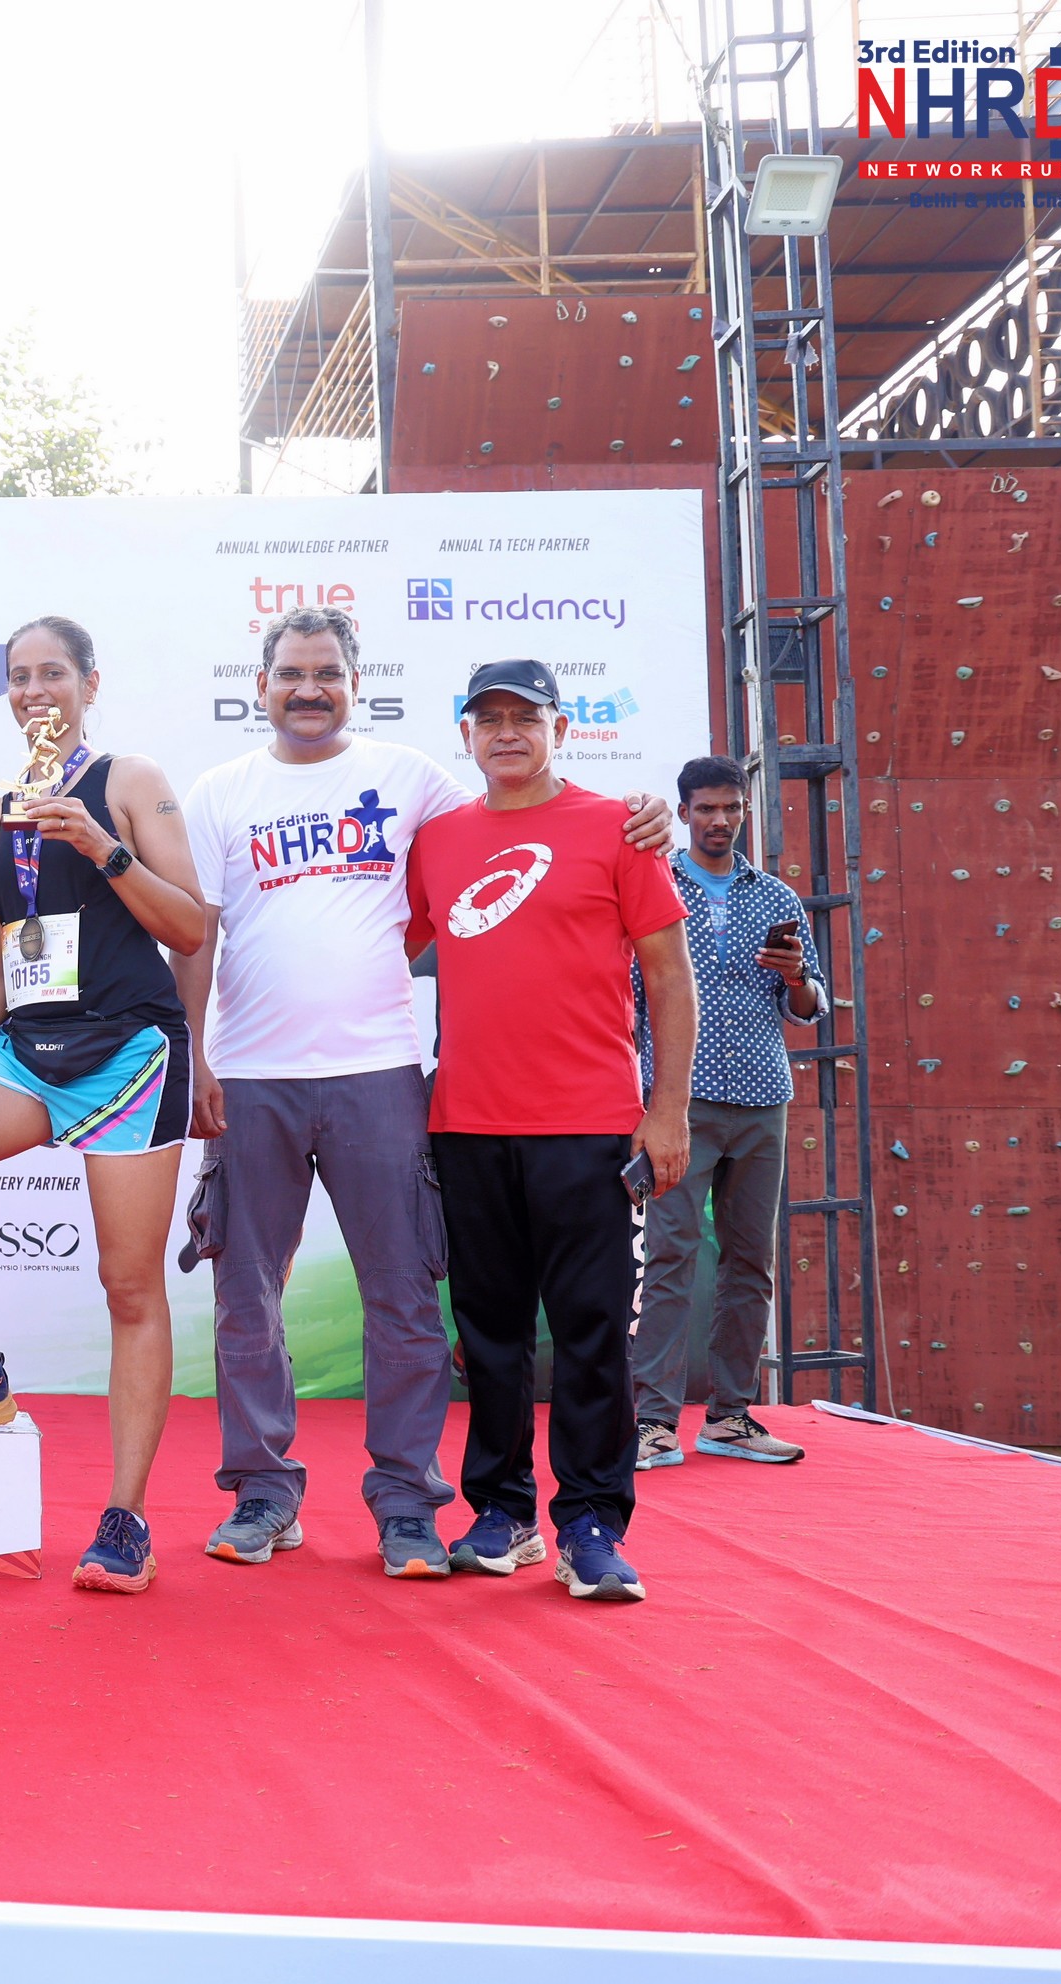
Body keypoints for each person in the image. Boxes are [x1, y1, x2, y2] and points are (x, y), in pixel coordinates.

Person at [174, 607, 673, 1578]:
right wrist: (195, 1055)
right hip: (253, 1073)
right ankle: (264, 1491)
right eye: (291, 673)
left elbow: (524, 805)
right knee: (246, 1297)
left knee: (404, 1300)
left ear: (357, 684)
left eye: (328, 672)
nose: (309, 689)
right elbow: (195, 936)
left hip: (381, 1074)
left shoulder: (415, 781)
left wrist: (643, 810)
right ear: (261, 684)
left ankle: (407, 1501)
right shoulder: (219, 791)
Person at [0, 617, 210, 1595]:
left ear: (88, 684)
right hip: (28, 1050)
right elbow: (7, 966)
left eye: (52, 673)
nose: (34, 691)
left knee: (129, 1286)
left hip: (131, 1054)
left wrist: (104, 847)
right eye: (19, 677)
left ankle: (125, 1518)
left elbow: (191, 927)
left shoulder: (131, 781)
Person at [404, 660, 695, 1606]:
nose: (506, 734)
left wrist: (668, 1110)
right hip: (467, 1125)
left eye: (524, 718)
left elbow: (669, 975)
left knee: (591, 1333)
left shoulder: (619, 828)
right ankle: (502, 1512)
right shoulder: (437, 839)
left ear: (560, 729)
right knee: (488, 1336)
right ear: (466, 735)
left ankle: (593, 1524)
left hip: (592, 1128)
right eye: (487, 719)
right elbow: (380, 946)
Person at [629, 754, 824, 1471]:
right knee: (670, 1257)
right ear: (683, 813)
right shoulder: (652, 881)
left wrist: (796, 976)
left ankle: (731, 1417)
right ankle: (652, 1423)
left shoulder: (776, 896)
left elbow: (809, 1007)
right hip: (677, 1104)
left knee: (751, 1261)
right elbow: (627, 995)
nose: (720, 820)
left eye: (732, 808)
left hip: (764, 1099)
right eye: (706, 808)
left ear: (745, 811)